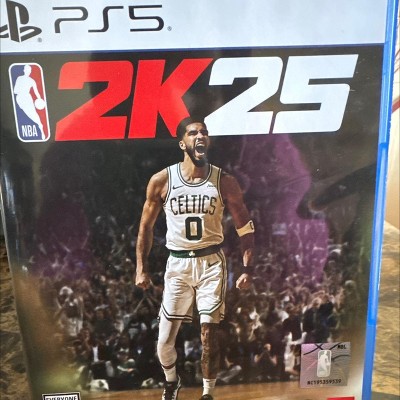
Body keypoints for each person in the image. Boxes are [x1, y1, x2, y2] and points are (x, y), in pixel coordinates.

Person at [135, 118, 255, 400]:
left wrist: (248, 268)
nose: (200, 136)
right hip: (177, 263)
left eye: (204, 132)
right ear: (182, 143)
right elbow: (145, 227)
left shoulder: (225, 181)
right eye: (193, 133)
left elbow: (245, 227)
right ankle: (171, 381)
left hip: (211, 262)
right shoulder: (162, 180)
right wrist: (141, 267)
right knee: (164, 341)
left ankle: (207, 394)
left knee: (209, 334)